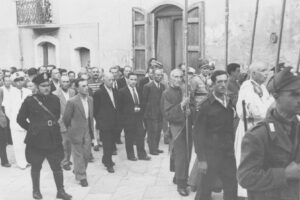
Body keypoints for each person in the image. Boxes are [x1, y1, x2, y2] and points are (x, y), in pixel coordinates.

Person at [237, 66, 300, 200]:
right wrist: (285, 174)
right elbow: (245, 178)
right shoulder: (258, 135)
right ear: (276, 96)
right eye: (295, 94)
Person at [17, 73, 72, 200]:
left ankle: (60, 191)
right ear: (37, 87)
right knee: (36, 166)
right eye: (43, 86)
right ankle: (36, 191)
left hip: (53, 138)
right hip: (36, 140)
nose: (46, 88)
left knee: (57, 166)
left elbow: (57, 116)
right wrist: (32, 129)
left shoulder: (55, 99)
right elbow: (20, 119)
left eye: (48, 85)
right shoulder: (30, 100)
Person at [193, 70, 237, 200]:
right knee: (205, 189)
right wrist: (201, 159)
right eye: (220, 82)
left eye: (225, 81)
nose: (223, 84)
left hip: (228, 153)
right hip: (211, 154)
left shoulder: (229, 103)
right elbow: (198, 133)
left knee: (231, 186)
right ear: (213, 84)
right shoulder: (205, 106)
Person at [235, 62, 274, 198]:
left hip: (261, 127)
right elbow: (256, 110)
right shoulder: (247, 87)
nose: (267, 73)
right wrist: (269, 112)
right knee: (248, 159)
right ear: (253, 74)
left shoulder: (262, 87)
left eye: (267, 70)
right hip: (250, 128)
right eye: (263, 70)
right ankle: (245, 193)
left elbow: (270, 104)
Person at [161, 68, 192, 196]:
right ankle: (181, 184)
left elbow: (189, 106)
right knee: (181, 156)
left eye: (180, 77)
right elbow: (167, 113)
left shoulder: (182, 90)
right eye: (176, 77)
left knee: (187, 154)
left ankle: (178, 176)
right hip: (176, 128)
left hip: (186, 125)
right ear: (170, 78)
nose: (179, 79)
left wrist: (189, 110)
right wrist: (181, 106)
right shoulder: (166, 93)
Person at [63, 78, 94, 187]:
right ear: (77, 88)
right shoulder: (72, 101)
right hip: (75, 131)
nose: (86, 88)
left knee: (86, 154)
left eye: (87, 85)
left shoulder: (90, 99)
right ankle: (81, 176)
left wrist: (91, 131)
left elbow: (90, 116)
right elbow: (66, 118)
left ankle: (78, 169)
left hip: (87, 131)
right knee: (78, 155)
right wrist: (71, 129)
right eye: (83, 86)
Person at [118, 72, 151, 161]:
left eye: (135, 80)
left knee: (140, 135)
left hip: (139, 117)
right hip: (128, 118)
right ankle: (131, 155)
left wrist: (140, 109)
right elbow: (120, 107)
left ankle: (142, 154)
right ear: (128, 80)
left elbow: (143, 102)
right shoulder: (122, 91)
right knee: (129, 137)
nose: (133, 81)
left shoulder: (139, 89)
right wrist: (131, 110)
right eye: (131, 79)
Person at [6, 71, 31, 169]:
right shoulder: (10, 92)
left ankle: (27, 160)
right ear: (13, 82)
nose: (19, 82)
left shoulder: (28, 91)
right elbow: (7, 109)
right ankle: (20, 162)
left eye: (21, 80)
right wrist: (13, 119)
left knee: (26, 142)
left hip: (27, 121)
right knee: (17, 144)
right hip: (15, 122)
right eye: (17, 81)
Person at [93, 73, 118, 173]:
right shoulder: (99, 93)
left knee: (111, 142)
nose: (111, 82)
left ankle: (105, 159)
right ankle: (109, 163)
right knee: (107, 144)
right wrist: (100, 121)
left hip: (114, 122)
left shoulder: (115, 91)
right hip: (104, 123)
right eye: (109, 80)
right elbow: (96, 110)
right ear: (104, 80)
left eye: (113, 80)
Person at [53, 76, 76, 171]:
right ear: (60, 83)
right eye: (64, 82)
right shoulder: (55, 94)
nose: (66, 83)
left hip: (72, 120)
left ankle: (67, 158)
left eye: (67, 81)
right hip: (61, 121)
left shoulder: (72, 92)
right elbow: (54, 109)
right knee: (64, 143)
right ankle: (64, 162)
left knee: (69, 142)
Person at [143, 68, 165, 155]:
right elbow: (144, 101)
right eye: (157, 75)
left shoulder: (162, 86)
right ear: (153, 75)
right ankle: (152, 149)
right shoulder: (147, 86)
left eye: (160, 75)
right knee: (152, 132)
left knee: (158, 131)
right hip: (151, 114)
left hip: (160, 113)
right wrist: (146, 114)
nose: (159, 77)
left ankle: (156, 147)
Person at [0, 87, 10, 168]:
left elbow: (2, 103)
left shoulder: (1, 90)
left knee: (3, 141)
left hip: (1, 119)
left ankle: (4, 161)